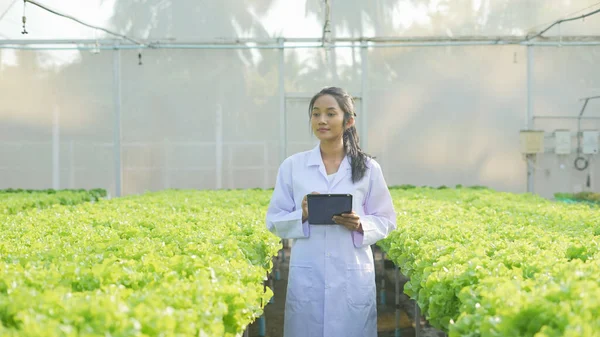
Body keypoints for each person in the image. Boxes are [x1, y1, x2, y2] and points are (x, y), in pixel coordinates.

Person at [266, 86, 397, 337]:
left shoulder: (368, 168)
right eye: (315, 114)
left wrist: (360, 224)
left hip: (352, 270)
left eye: (330, 113)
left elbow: (386, 219)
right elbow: (274, 220)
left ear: (348, 121)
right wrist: (302, 214)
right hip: (309, 270)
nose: (321, 120)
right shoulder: (294, 166)